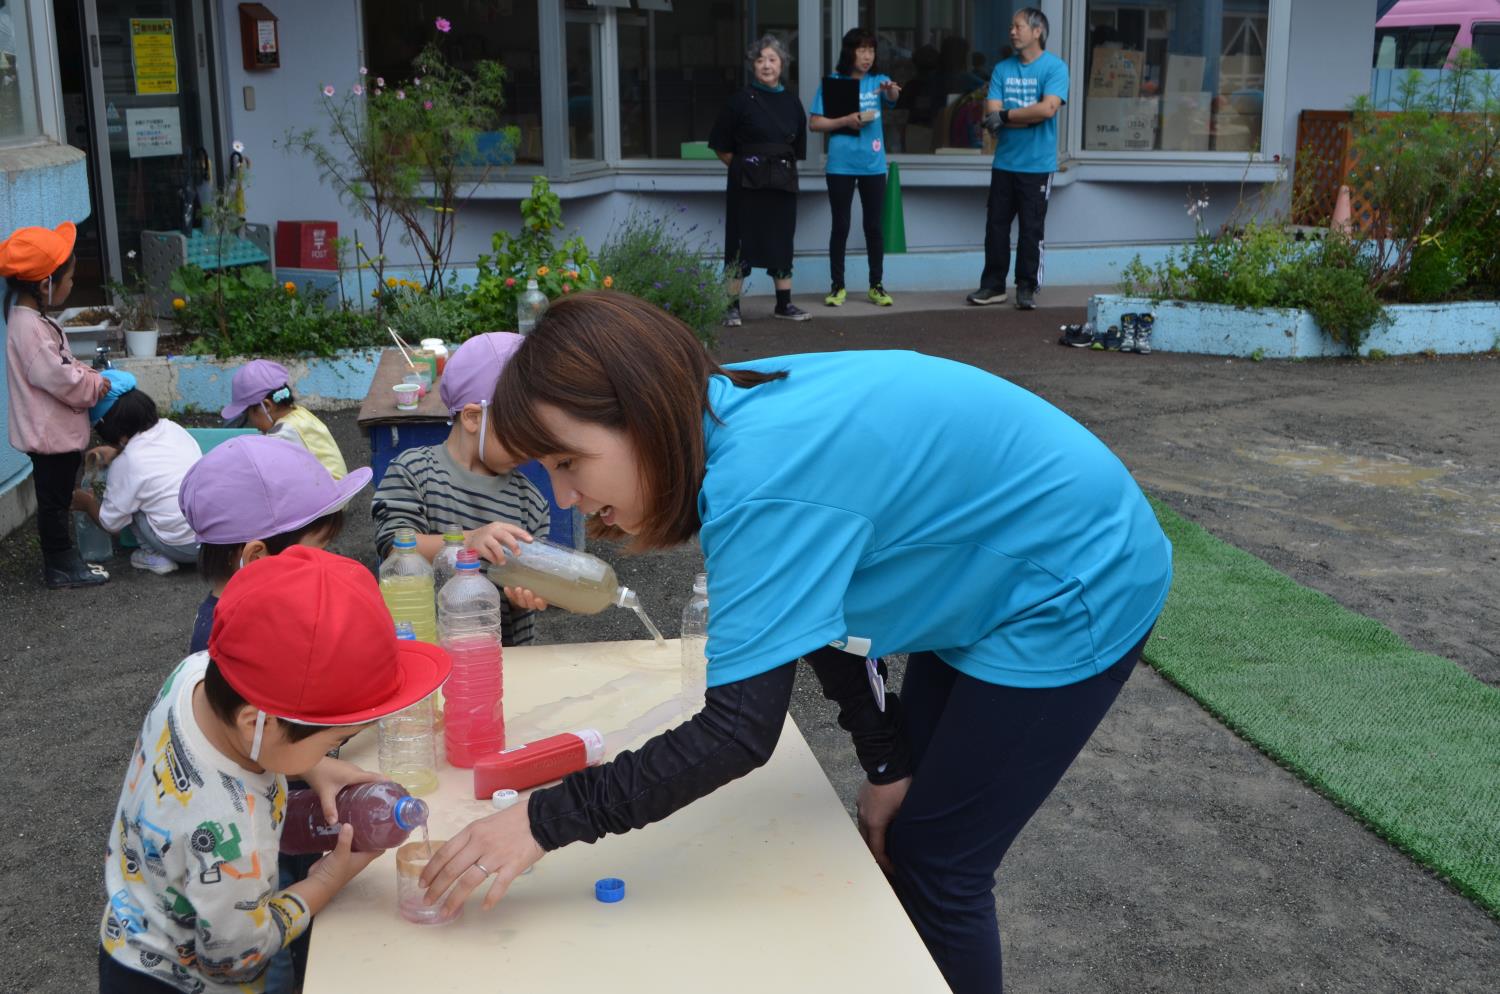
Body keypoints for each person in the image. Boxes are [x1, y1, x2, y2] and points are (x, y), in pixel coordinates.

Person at [417, 292, 1173, 994]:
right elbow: (816, 611)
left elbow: (737, 732)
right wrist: (886, 758)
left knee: (941, 866)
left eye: (567, 463)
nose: (566, 499)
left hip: (1073, 580)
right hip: (995, 564)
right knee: (907, 830)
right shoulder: (721, 407)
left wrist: (542, 821)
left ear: (637, 413)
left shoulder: (760, 479)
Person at [98, 545, 451, 993]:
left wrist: (314, 764)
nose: (336, 749)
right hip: (177, 982)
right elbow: (233, 961)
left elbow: (266, 736)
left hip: (129, 931)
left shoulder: (196, 674)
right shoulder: (230, 833)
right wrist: (324, 880)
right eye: (335, 741)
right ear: (256, 723)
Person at [371, 332, 549, 645]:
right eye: (524, 430)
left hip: (499, 661)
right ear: (472, 418)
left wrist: (529, 594)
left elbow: (533, 579)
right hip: (426, 657)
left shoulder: (530, 502)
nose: (533, 446)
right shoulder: (413, 472)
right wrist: (469, 540)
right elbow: (394, 551)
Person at [181, 434, 372, 654]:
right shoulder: (227, 644)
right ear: (256, 558)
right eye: (319, 551)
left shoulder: (267, 607)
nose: (328, 561)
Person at [0, 220, 112, 588]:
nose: (72, 283)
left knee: (57, 496)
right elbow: (60, 378)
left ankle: (63, 561)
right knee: (53, 501)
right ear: (45, 283)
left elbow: (62, 364)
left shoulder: (29, 319)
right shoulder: (29, 327)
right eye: (68, 278)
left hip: (54, 434)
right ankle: (61, 565)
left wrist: (88, 374)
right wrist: (95, 384)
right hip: (51, 437)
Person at [967, 8, 1069, 311]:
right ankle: (993, 286)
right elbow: (990, 115)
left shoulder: (1055, 68)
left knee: (1031, 229)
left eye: (1018, 26)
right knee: (995, 226)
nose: (1012, 31)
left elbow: (1048, 110)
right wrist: (1027, 115)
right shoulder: (1002, 69)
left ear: (1037, 32)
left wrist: (1008, 116)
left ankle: (1026, 287)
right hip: (1005, 163)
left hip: (1038, 166)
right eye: (1011, 26)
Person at [709, 34, 810, 326]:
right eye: (760, 59)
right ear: (752, 65)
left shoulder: (792, 102)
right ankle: (732, 307)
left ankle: (784, 304)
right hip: (746, 185)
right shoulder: (739, 101)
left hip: (782, 183)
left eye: (773, 59)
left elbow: (797, 149)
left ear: (782, 65)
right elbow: (720, 145)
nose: (766, 65)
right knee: (740, 242)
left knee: (781, 240)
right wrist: (744, 167)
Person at [72, 372, 202, 575]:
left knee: (131, 504)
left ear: (116, 432)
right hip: (214, 540)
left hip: (183, 548)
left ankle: (154, 557)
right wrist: (118, 451)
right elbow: (152, 460)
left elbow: (111, 523)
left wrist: (88, 505)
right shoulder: (173, 428)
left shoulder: (128, 462)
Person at [809, 28, 901, 308]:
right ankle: (837, 286)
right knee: (841, 225)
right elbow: (815, 124)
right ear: (849, 52)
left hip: (873, 165)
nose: (867, 56)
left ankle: (876, 285)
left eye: (871, 50)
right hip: (840, 164)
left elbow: (894, 96)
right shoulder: (834, 83)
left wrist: (892, 91)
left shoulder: (879, 81)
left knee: (874, 226)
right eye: (861, 50)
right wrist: (844, 121)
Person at [221, 359, 349, 480]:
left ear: (266, 406)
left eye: (249, 415)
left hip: (326, 496)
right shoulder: (298, 413)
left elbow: (266, 468)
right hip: (338, 486)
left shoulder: (283, 433)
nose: (253, 424)